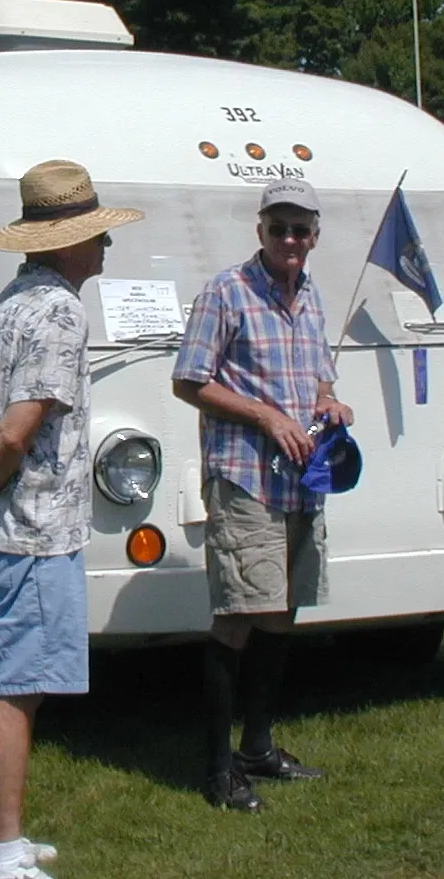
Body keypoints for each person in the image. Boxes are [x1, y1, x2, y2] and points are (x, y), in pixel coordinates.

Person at [0, 159, 142, 879]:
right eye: (95, 236)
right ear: (64, 241)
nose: (105, 248)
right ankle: (7, 857)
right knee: (15, 691)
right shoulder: (57, 313)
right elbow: (15, 434)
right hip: (30, 533)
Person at [171, 177, 353, 813]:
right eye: (278, 227)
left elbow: (319, 377)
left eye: (300, 228)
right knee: (239, 614)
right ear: (260, 231)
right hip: (246, 474)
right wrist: (265, 417)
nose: (290, 239)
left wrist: (330, 404)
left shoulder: (313, 297)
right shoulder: (226, 291)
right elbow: (190, 380)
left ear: (314, 235)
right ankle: (219, 768)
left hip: (301, 482)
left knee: (280, 609)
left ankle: (258, 746)